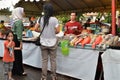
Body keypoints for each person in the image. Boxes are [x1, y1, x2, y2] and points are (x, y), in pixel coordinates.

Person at [35, 3, 60, 80]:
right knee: (53, 60)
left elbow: (35, 29)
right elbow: (58, 31)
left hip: (43, 42)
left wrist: (42, 32)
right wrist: (52, 32)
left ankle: (43, 77)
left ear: (44, 10)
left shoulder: (40, 19)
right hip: (52, 42)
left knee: (44, 60)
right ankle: (53, 77)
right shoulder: (55, 19)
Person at [11, 7, 26, 76]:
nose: (24, 13)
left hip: (14, 38)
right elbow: (19, 33)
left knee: (15, 55)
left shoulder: (14, 21)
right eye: (22, 11)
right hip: (17, 39)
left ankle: (14, 70)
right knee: (18, 55)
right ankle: (20, 71)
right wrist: (21, 43)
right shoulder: (19, 21)